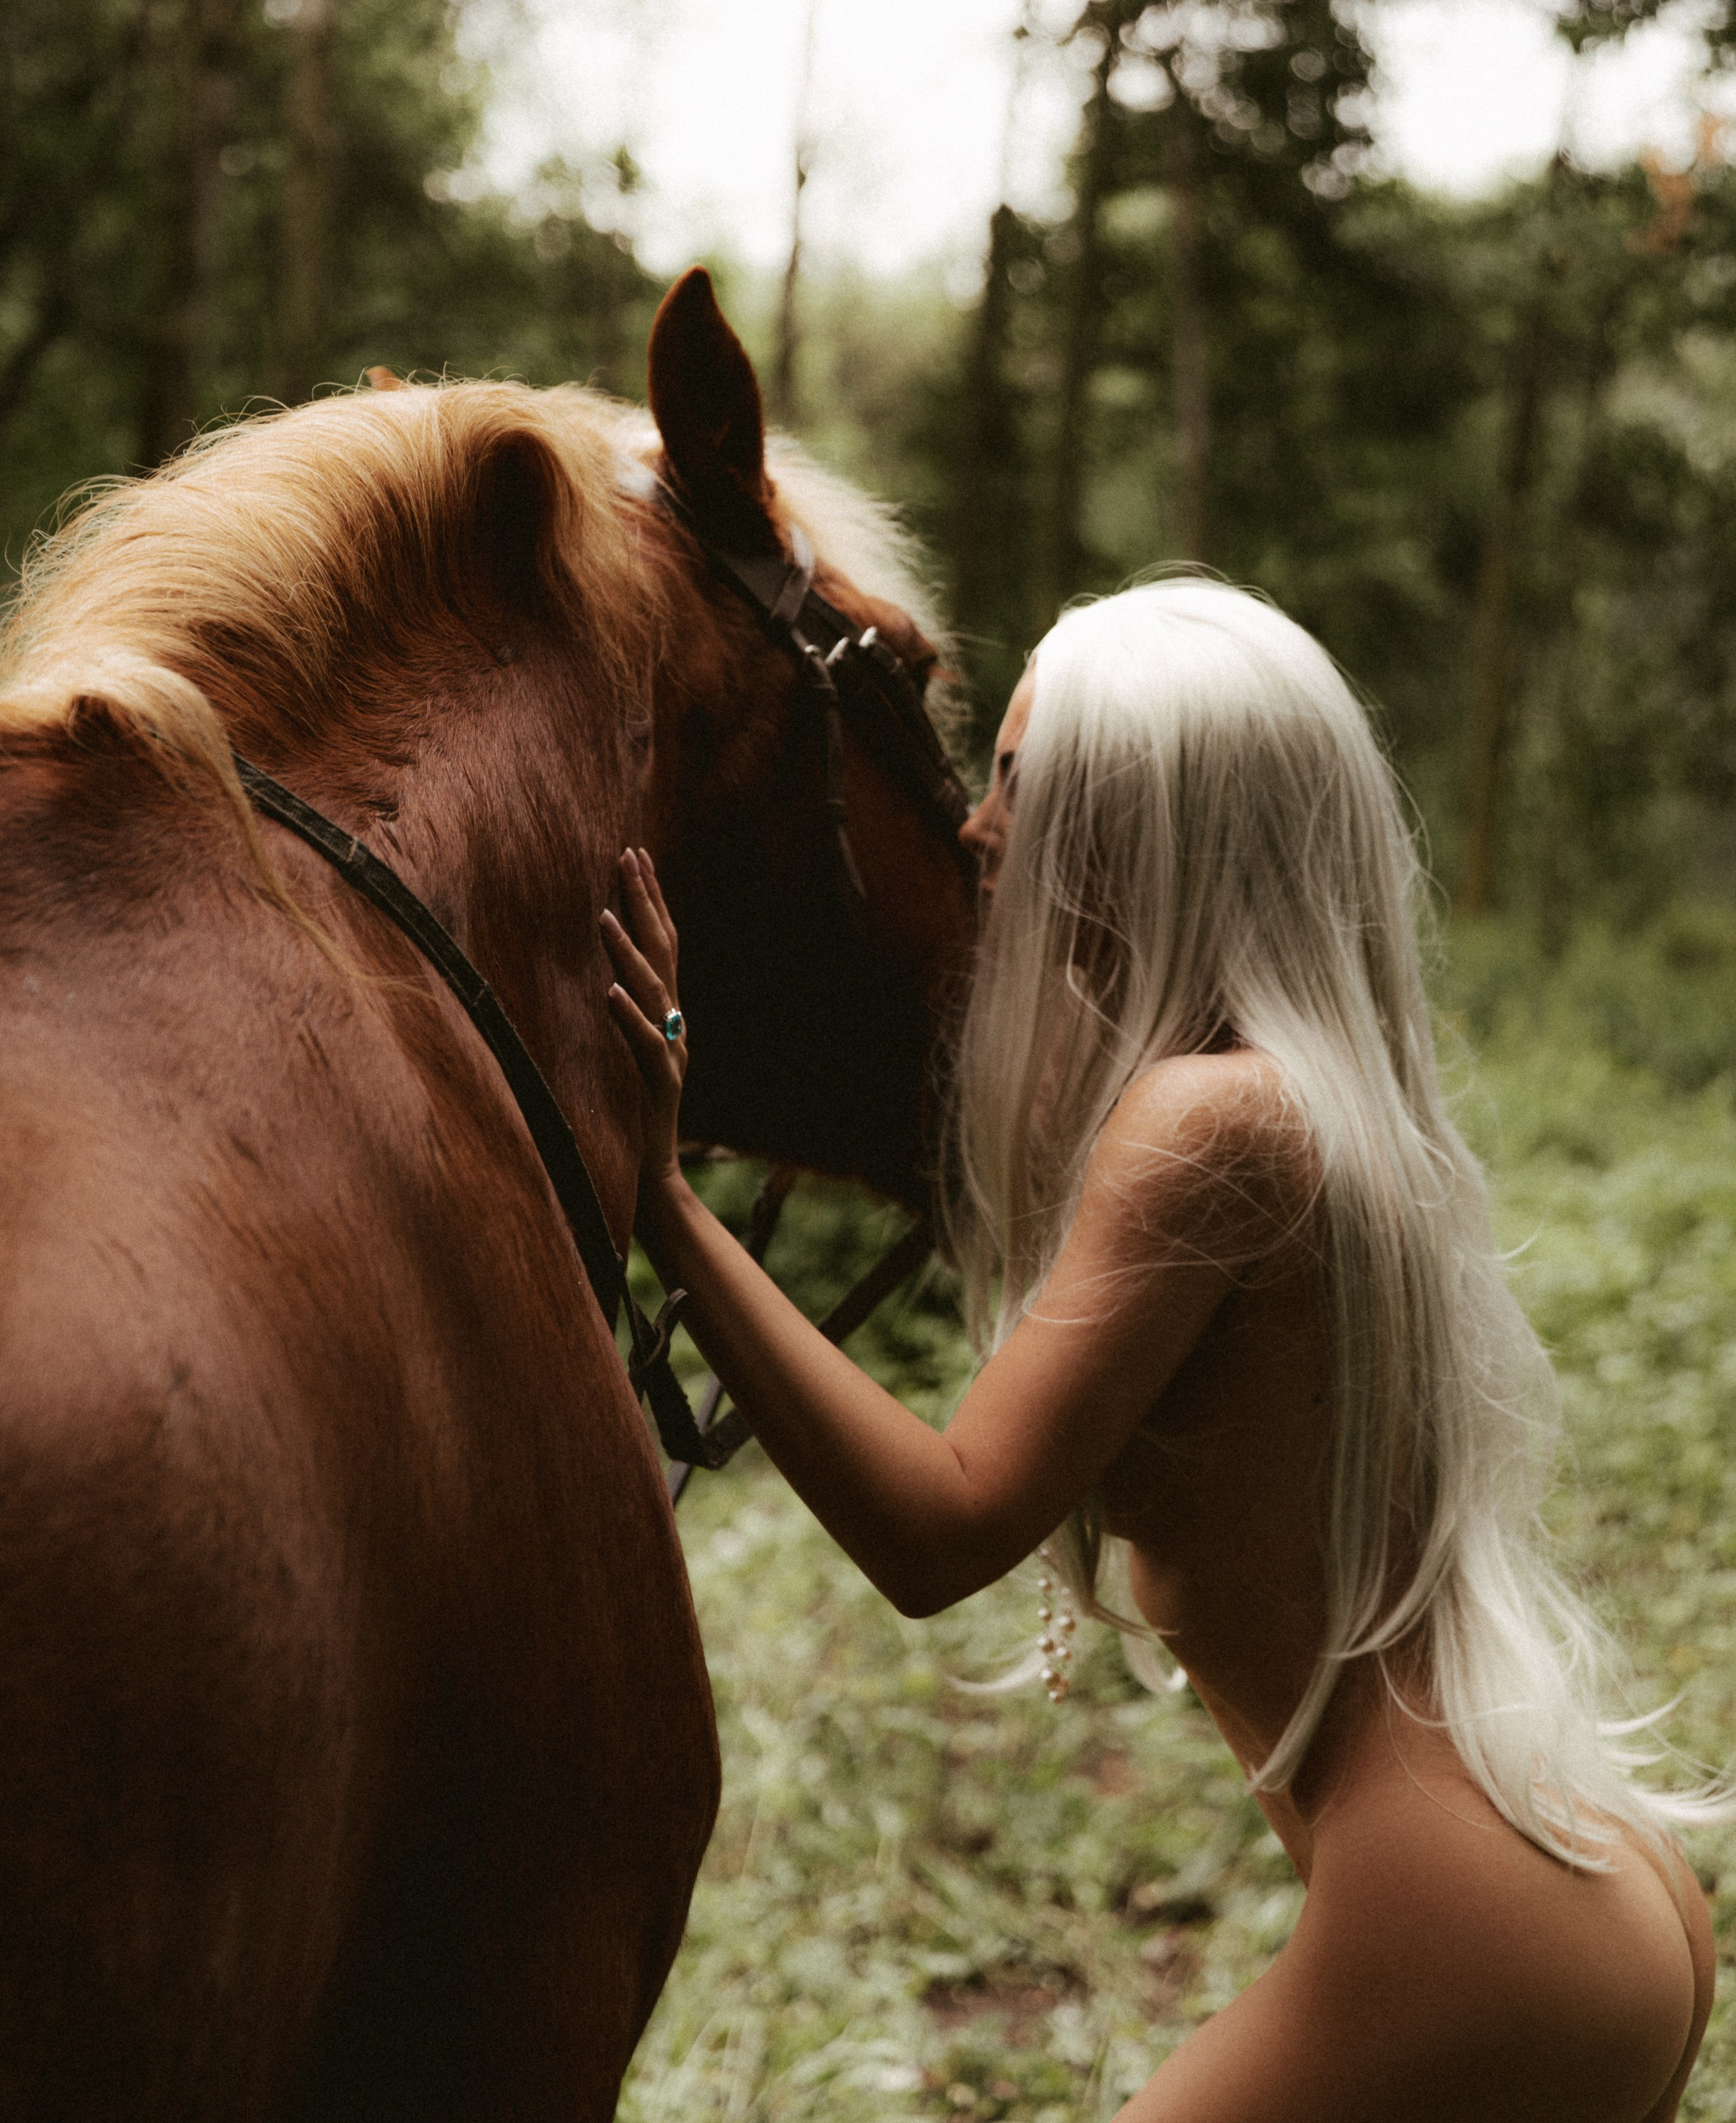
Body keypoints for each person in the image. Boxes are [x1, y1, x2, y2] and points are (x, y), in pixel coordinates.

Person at [602, 577, 1717, 2122]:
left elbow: (939, 1527)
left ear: (1145, 821)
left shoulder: (1211, 1125)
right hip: (1571, 1881)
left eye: (1012, 781)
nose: (974, 832)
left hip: (1470, 1917)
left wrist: (657, 1192)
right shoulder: (1301, 1100)